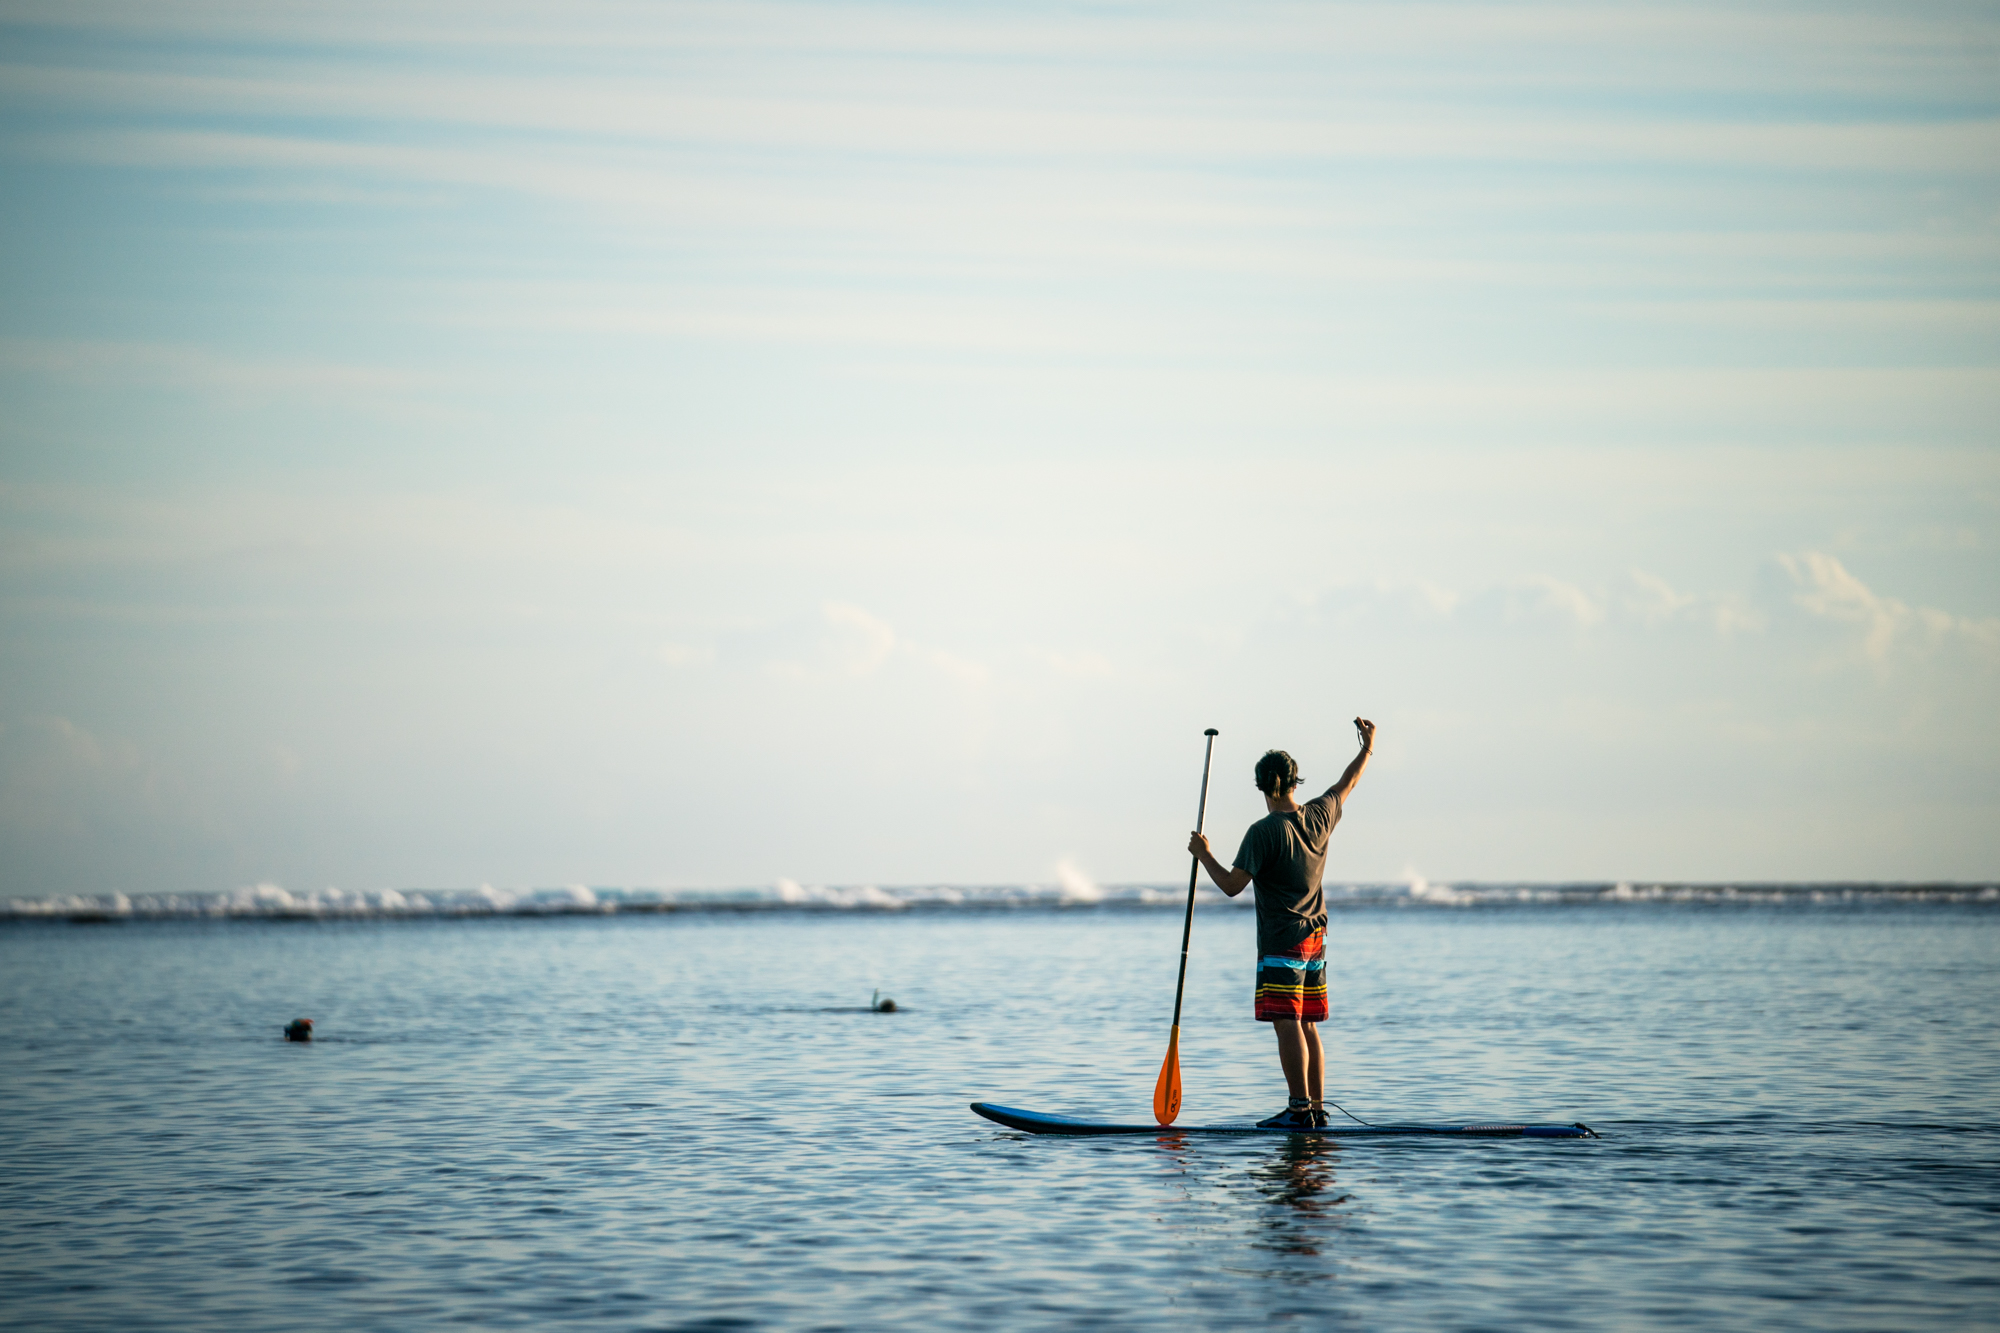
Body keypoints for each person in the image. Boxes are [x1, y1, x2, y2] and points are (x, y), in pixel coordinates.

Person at [1188, 718, 1375, 1129]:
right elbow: (1349, 782)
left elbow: (1233, 885)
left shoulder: (1263, 832)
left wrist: (1204, 855)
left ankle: (1298, 1109)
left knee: (1287, 1021)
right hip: (1316, 937)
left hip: (1282, 940)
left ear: (1265, 787)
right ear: (1293, 783)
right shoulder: (1321, 815)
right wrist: (1367, 748)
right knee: (1307, 1022)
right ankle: (1316, 1109)